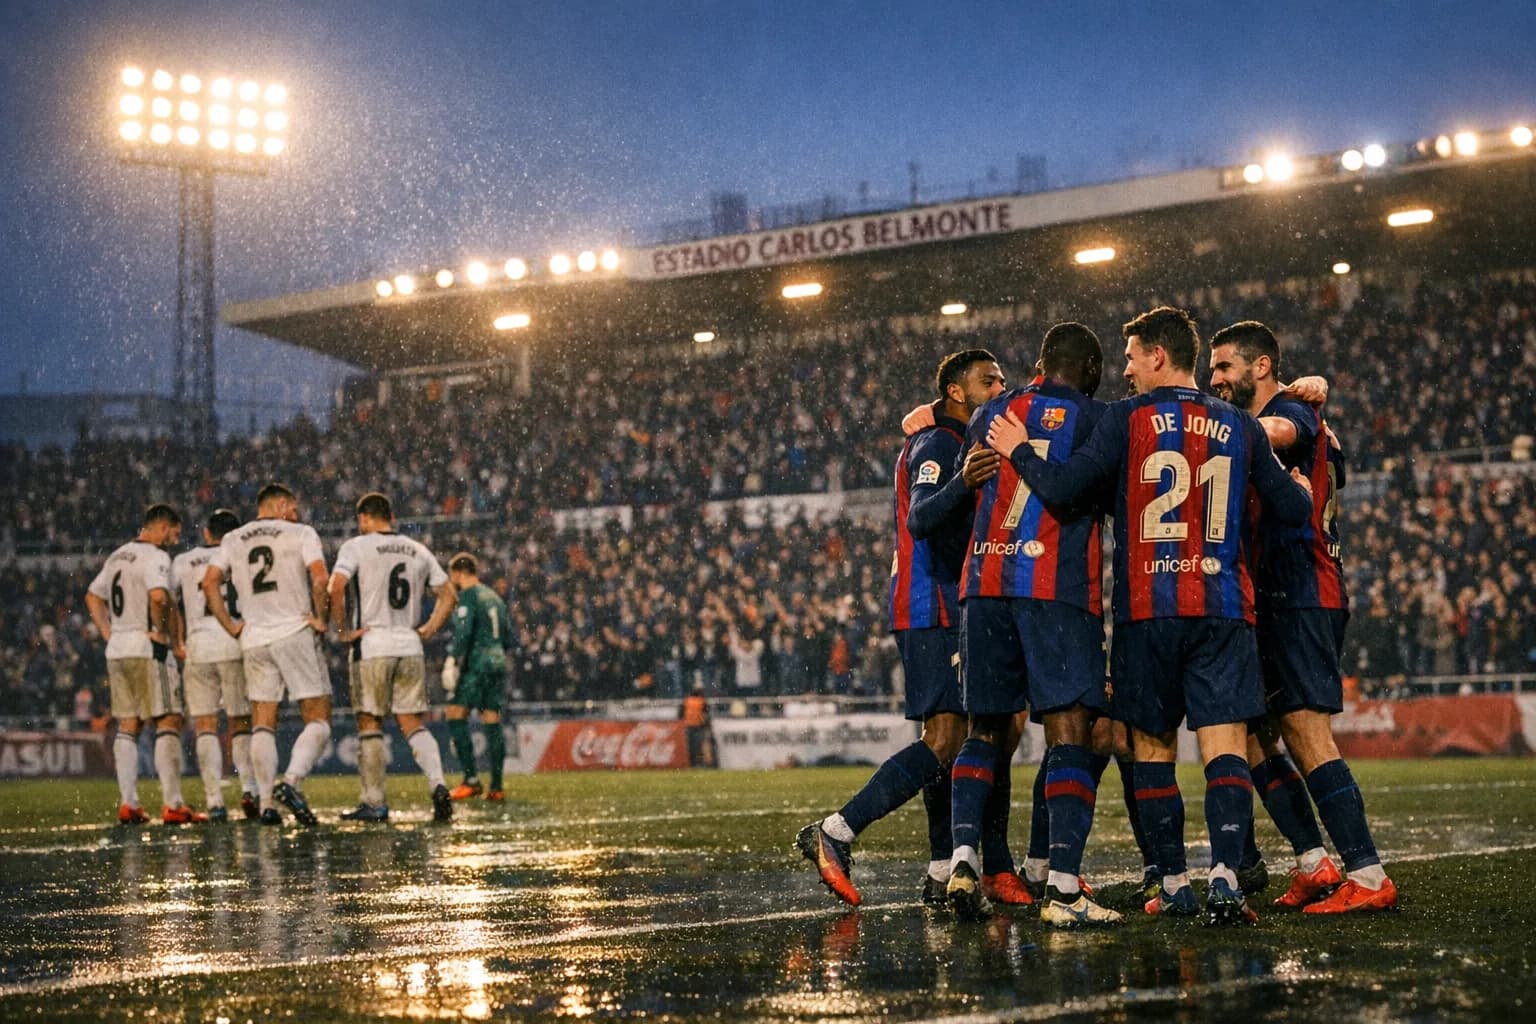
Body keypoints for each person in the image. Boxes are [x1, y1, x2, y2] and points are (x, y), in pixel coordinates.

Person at [988, 306, 1314, 926]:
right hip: (1221, 606)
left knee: (1153, 749)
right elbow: (1291, 509)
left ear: (1158, 356)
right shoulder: (1240, 425)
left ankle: (1170, 880)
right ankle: (1225, 876)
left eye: (1134, 357)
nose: (1128, 370)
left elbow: (1062, 490)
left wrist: (1020, 450)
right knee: (1224, 746)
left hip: (1148, 610)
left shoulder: (1124, 419)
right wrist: (1298, 486)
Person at [797, 349, 1025, 908]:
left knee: (968, 735)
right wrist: (965, 483)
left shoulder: (954, 437)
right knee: (954, 738)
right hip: (933, 604)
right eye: (987, 380)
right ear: (954, 391)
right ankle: (837, 830)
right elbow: (922, 516)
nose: (1000, 387)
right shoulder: (938, 443)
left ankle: (944, 867)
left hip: (946, 601)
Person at [1208, 320, 1397, 913]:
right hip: (1271, 595)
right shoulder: (1295, 403)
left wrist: (1209, 428)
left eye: (1224, 368)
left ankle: (1367, 876)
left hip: (1302, 590)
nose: (1215, 379)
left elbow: (1279, 430)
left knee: (1307, 734)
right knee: (1256, 734)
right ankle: (1314, 862)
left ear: (1260, 366)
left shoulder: (1295, 409)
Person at [943, 323, 1122, 927]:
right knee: (1070, 730)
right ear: (1092, 370)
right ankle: (1063, 889)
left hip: (985, 586)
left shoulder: (992, 410)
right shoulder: (1098, 419)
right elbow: (1084, 492)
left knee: (986, 728)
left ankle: (964, 857)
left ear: (1041, 364)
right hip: (1055, 589)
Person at [203, 483, 330, 827]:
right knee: (318, 716)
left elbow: (210, 581)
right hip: (294, 631)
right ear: (279, 504)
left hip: (254, 637)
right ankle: (290, 782)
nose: (296, 513)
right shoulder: (301, 533)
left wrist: (230, 625)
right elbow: (320, 579)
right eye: (292, 507)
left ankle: (266, 803)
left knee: (263, 722)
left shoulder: (233, 538)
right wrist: (321, 618)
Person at [328, 492, 458, 823]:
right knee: (413, 722)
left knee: (370, 722)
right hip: (408, 644)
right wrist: (427, 629)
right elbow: (448, 595)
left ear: (364, 519)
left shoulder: (356, 546)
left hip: (372, 645)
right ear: (391, 517)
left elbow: (336, 587)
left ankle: (375, 802)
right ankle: (439, 785)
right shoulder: (416, 549)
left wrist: (343, 631)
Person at [85, 503, 205, 824]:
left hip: (119, 649)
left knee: (129, 724)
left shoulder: (117, 556)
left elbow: (93, 596)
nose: (174, 542)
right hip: (147, 648)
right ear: (162, 528)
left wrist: (108, 632)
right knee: (167, 719)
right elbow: (158, 596)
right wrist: (159, 632)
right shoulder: (156, 556)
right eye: (174, 534)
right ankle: (174, 804)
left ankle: (129, 803)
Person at [171, 508, 259, 821]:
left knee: (205, 724)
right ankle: (250, 788)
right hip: (235, 640)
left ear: (207, 533)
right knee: (240, 721)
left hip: (198, 646)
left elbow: (170, 602)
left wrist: (176, 640)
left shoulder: (183, 561)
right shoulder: (243, 555)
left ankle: (214, 801)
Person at [442, 553, 514, 801]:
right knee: (492, 719)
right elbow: (508, 637)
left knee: (454, 713)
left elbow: (463, 631)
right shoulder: (495, 597)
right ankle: (496, 786)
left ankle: (471, 780)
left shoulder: (469, 596)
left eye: (452, 575)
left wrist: (453, 659)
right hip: (497, 662)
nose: (452, 580)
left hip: (477, 664)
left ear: (459, 572)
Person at [679, 681, 716, 767]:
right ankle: (705, 763)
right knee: (703, 746)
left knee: (691, 747)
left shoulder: (687, 701)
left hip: (689, 726)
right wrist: (708, 725)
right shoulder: (702, 701)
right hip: (699, 726)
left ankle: (692, 763)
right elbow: (706, 715)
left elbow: (680, 714)